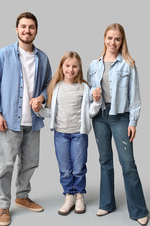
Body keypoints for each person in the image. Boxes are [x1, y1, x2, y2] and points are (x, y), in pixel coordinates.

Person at [0, 12, 52, 226]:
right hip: (9, 120)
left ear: (36, 30)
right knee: (6, 164)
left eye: (31, 27)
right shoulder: (4, 54)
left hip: (33, 121)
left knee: (31, 162)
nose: (27, 30)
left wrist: (42, 97)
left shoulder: (42, 58)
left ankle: (22, 196)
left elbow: (49, 85)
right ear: (16, 29)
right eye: (23, 26)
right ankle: (3, 205)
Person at [87, 23, 149, 226]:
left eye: (117, 39)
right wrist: (93, 94)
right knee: (105, 161)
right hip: (100, 117)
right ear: (104, 39)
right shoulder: (93, 65)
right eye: (109, 38)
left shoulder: (128, 64)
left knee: (128, 163)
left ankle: (139, 209)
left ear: (122, 41)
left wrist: (133, 122)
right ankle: (106, 203)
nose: (113, 42)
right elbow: (87, 94)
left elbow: (135, 96)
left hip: (121, 117)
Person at [33, 51, 101, 216]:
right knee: (64, 169)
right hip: (60, 134)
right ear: (62, 67)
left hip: (79, 134)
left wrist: (97, 101)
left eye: (74, 66)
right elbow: (50, 112)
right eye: (67, 66)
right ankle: (68, 196)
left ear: (79, 68)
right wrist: (37, 110)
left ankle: (79, 196)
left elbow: (90, 112)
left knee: (78, 168)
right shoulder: (55, 87)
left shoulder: (84, 88)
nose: (71, 69)